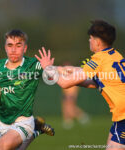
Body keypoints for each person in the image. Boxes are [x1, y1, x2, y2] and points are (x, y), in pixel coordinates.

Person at [35, 20, 125, 150]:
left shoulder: (99, 59)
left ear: (97, 42)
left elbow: (65, 83)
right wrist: (55, 68)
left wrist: (48, 69)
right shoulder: (115, 55)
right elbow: (91, 80)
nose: (89, 41)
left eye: (90, 38)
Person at [0, 29, 54, 150]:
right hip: (1, 123)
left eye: (18, 45)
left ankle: (31, 128)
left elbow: (55, 77)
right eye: (10, 45)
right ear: (5, 47)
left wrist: (49, 69)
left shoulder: (33, 65)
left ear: (25, 48)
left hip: (23, 121)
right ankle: (35, 131)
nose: (13, 50)